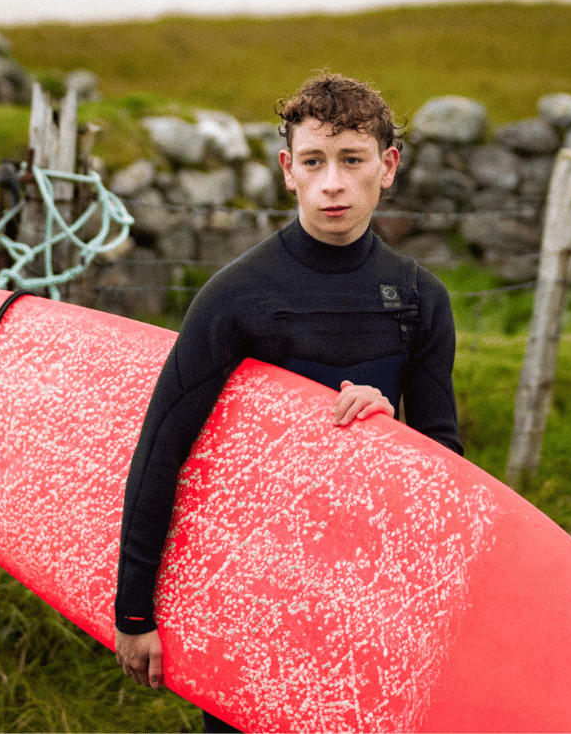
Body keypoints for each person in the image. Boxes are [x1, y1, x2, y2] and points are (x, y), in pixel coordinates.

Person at [113, 72, 463, 732]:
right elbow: (162, 450)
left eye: (352, 160)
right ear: (288, 170)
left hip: (366, 589)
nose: (333, 182)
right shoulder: (234, 297)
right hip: (253, 584)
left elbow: (444, 462)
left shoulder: (420, 299)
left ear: (387, 167)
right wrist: (136, 611)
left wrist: (392, 433)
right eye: (314, 161)